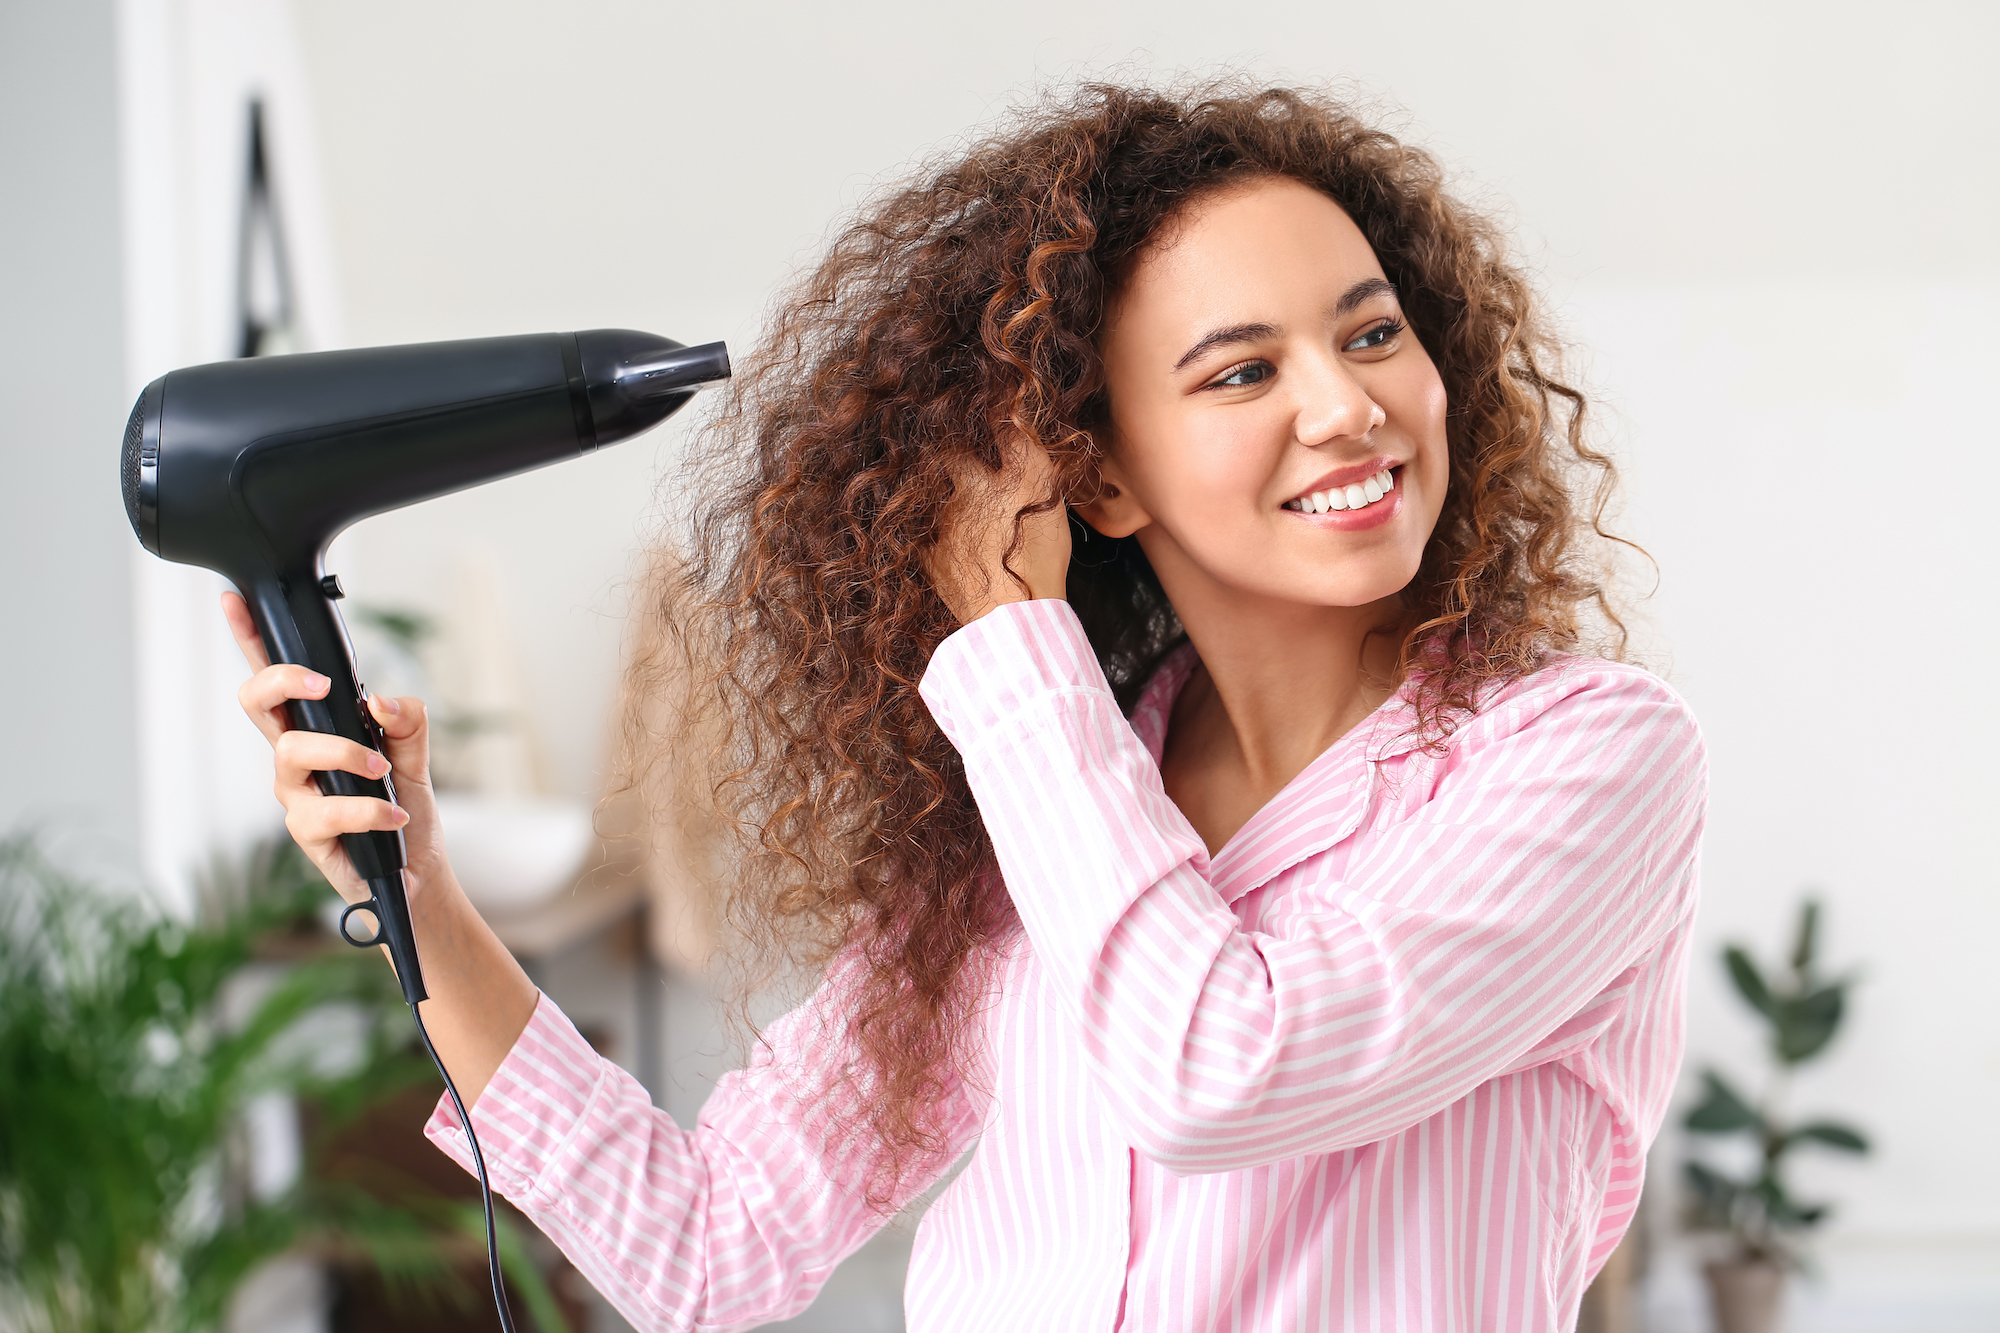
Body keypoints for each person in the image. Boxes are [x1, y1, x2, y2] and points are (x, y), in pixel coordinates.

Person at [225, 82, 1706, 1332]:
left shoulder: (1583, 762)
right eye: (1243, 369)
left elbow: (1222, 1069)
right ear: (1098, 476)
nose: (1345, 404)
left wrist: (1010, 631)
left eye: (1373, 334)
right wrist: (422, 891)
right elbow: (705, 1249)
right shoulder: (1038, 821)